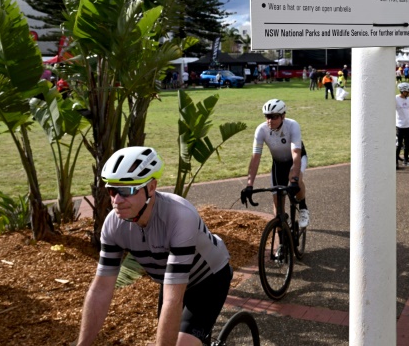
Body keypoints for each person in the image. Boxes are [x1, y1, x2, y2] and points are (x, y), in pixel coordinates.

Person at [75, 146, 232, 346]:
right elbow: (100, 290)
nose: (117, 200)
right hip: (171, 282)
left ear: (151, 187)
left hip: (208, 281)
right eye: (112, 190)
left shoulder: (179, 217)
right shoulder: (113, 224)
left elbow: (172, 301)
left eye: (127, 190)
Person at [242, 99, 309, 228]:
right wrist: (249, 185)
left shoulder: (292, 125)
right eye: (267, 116)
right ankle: (282, 241)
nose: (270, 120)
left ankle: (303, 207)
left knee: (295, 178)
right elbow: (255, 158)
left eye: (274, 117)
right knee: (277, 207)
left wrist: (294, 181)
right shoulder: (261, 130)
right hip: (278, 163)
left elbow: (296, 153)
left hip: (297, 159)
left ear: (283, 116)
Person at [395, 83, 409, 168]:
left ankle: (406, 160)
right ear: (403, 91)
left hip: (408, 124)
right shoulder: (395, 99)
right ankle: (395, 162)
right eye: (408, 91)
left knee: (408, 144)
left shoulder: (408, 99)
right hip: (400, 125)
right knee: (399, 144)